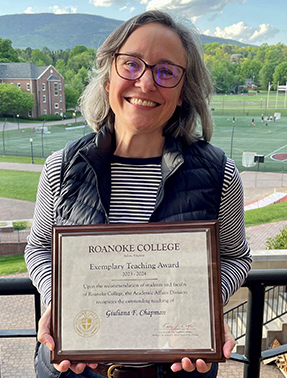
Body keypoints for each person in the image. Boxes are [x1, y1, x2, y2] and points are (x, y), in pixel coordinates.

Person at [24, 9, 251, 378]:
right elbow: (38, 250)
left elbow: (236, 257)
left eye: (166, 72)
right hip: (75, 368)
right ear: (108, 76)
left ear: (182, 92)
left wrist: (205, 309)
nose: (145, 83)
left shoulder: (219, 173)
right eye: (131, 65)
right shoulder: (61, 166)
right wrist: (58, 301)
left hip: (178, 369)